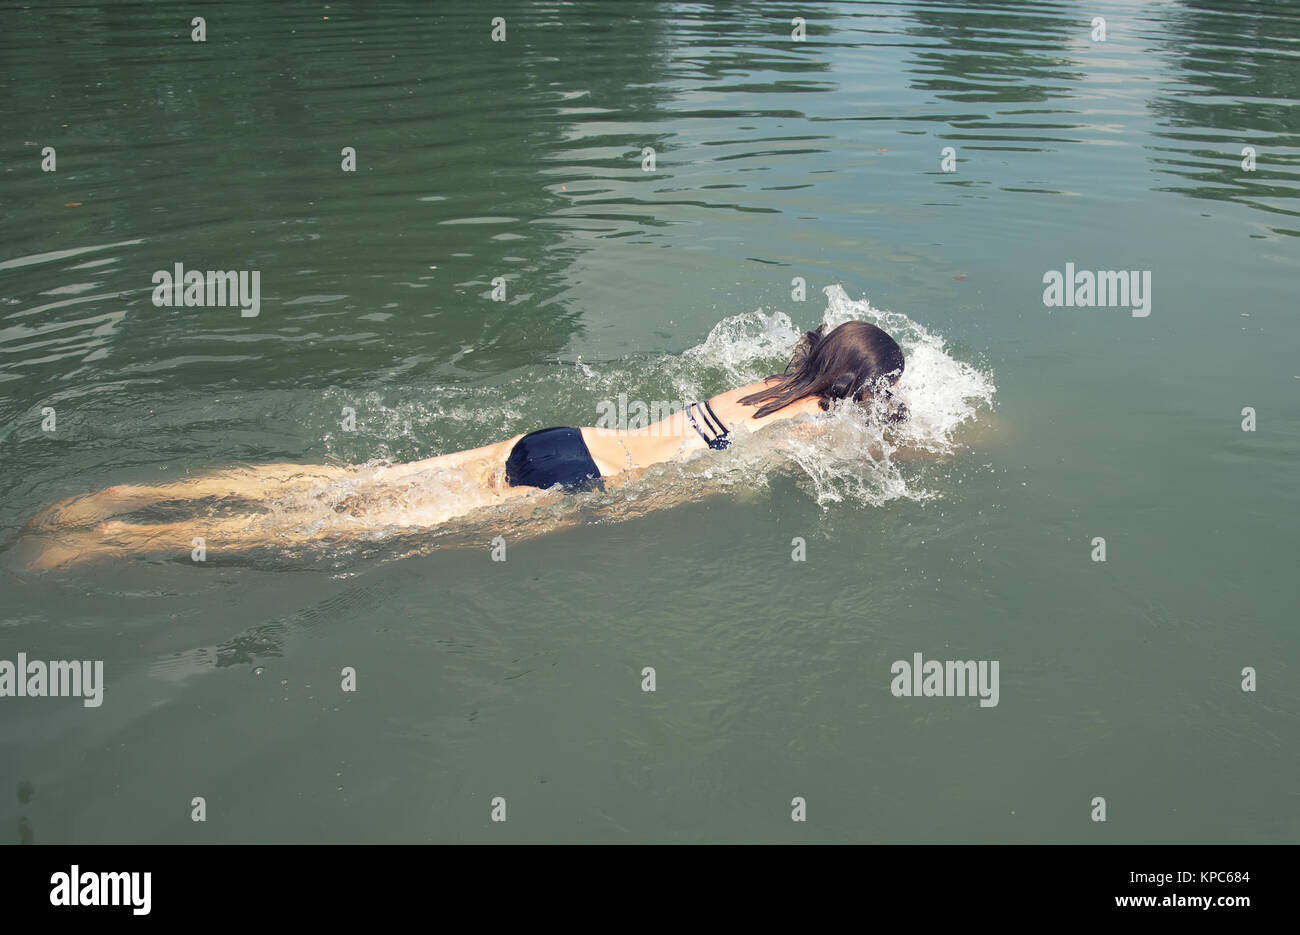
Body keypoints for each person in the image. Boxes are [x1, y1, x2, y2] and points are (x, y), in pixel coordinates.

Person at [22, 321, 908, 568]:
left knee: (348, 481)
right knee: (347, 533)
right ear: (856, 394)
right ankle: (116, 544)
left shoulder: (769, 381)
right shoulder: (815, 420)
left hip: (563, 439)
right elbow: (869, 461)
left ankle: (120, 499)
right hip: (577, 486)